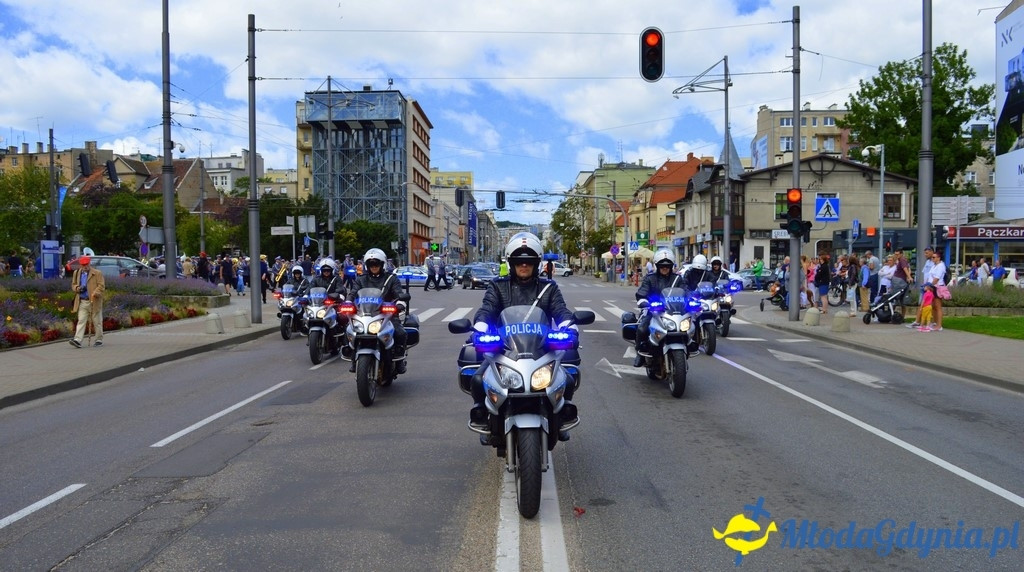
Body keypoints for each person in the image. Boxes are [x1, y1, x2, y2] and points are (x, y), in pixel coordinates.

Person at [470, 232, 578, 437]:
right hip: (505, 349)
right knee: (477, 379)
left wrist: (569, 327)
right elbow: (487, 309)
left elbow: (560, 310)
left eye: (529, 262)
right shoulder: (498, 286)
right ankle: (482, 414)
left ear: (537, 264)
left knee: (569, 378)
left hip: (541, 349)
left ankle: (561, 415)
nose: (524, 266)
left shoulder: (549, 287)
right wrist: (480, 328)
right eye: (519, 261)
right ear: (511, 263)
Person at [351, 248, 408, 374]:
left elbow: (398, 293)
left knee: (400, 332)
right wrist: (348, 302)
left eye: (376, 264)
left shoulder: (391, 279)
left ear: (382, 264)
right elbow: (353, 293)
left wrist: (399, 303)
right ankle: (353, 358)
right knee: (351, 330)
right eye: (371, 264)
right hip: (364, 313)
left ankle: (399, 361)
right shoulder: (361, 279)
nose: (374, 267)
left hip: (386, 314)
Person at [633, 249, 685, 367]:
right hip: (654, 311)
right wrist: (644, 302)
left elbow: (685, 290)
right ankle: (639, 354)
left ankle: (690, 343)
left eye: (667, 265)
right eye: (662, 265)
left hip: (674, 311)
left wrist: (693, 300)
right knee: (642, 328)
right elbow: (642, 292)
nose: (664, 268)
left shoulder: (677, 279)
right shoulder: (650, 278)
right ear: (657, 265)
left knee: (690, 324)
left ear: (671, 266)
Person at [69, 255, 105, 348]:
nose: (85, 266)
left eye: (87, 264)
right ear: (80, 265)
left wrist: (95, 292)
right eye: (83, 264)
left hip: (94, 301)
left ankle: (98, 339)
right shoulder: (77, 273)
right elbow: (73, 285)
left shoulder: (97, 273)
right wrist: (77, 288)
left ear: (90, 263)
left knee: (97, 321)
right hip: (82, 301)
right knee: (81, 320)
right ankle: (77, 340)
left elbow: (101, 286)